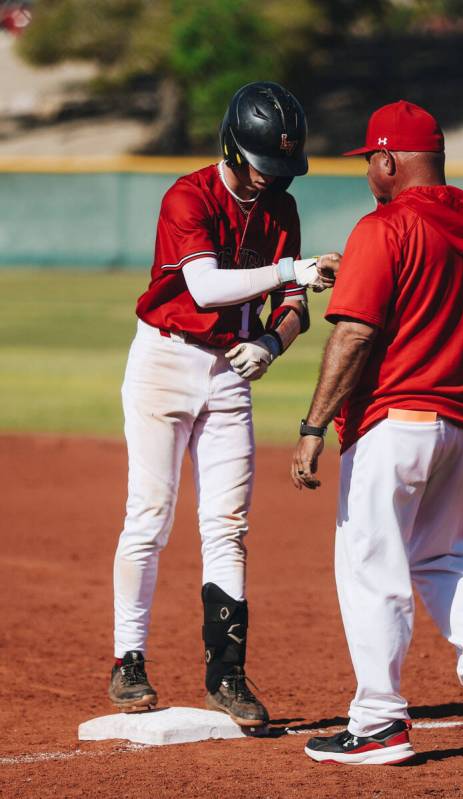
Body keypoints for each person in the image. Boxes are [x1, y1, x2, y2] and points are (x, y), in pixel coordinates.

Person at [291, 100, 463, 764]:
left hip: (397, 419)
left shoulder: (383, 226)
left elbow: (356, 333)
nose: (369, 172)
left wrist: (313, 425)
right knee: (441, 556)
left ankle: (378, 722)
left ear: (389, 160)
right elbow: (426, 287)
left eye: (371, 160)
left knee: (371, 564)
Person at [109, 81, 324, 728]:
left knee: (228, 525)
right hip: (164, 362)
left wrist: (268, 343)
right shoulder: (188, 195)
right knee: (149, 515)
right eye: (262, 166)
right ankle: (128, 658)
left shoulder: (280, 207)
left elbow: (295, 309)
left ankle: (226, 675)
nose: (270, 180)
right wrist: (291, 271)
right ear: (232, 148)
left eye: (281, 169)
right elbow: (203, 288)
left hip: (230, 372)